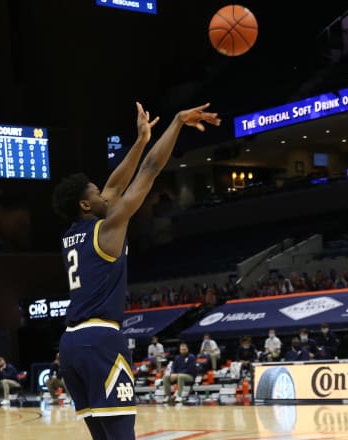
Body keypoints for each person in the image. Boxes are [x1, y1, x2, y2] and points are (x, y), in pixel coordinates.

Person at [52, 101, 219, 439]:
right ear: (86, 204)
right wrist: (175, 123)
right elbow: (151, 170)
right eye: (96, 193)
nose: (105, 194)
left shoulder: (73, 235)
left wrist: (141, 140)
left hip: (69, 346)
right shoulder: (108, 227)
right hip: (100, 340)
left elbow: (115, 185)